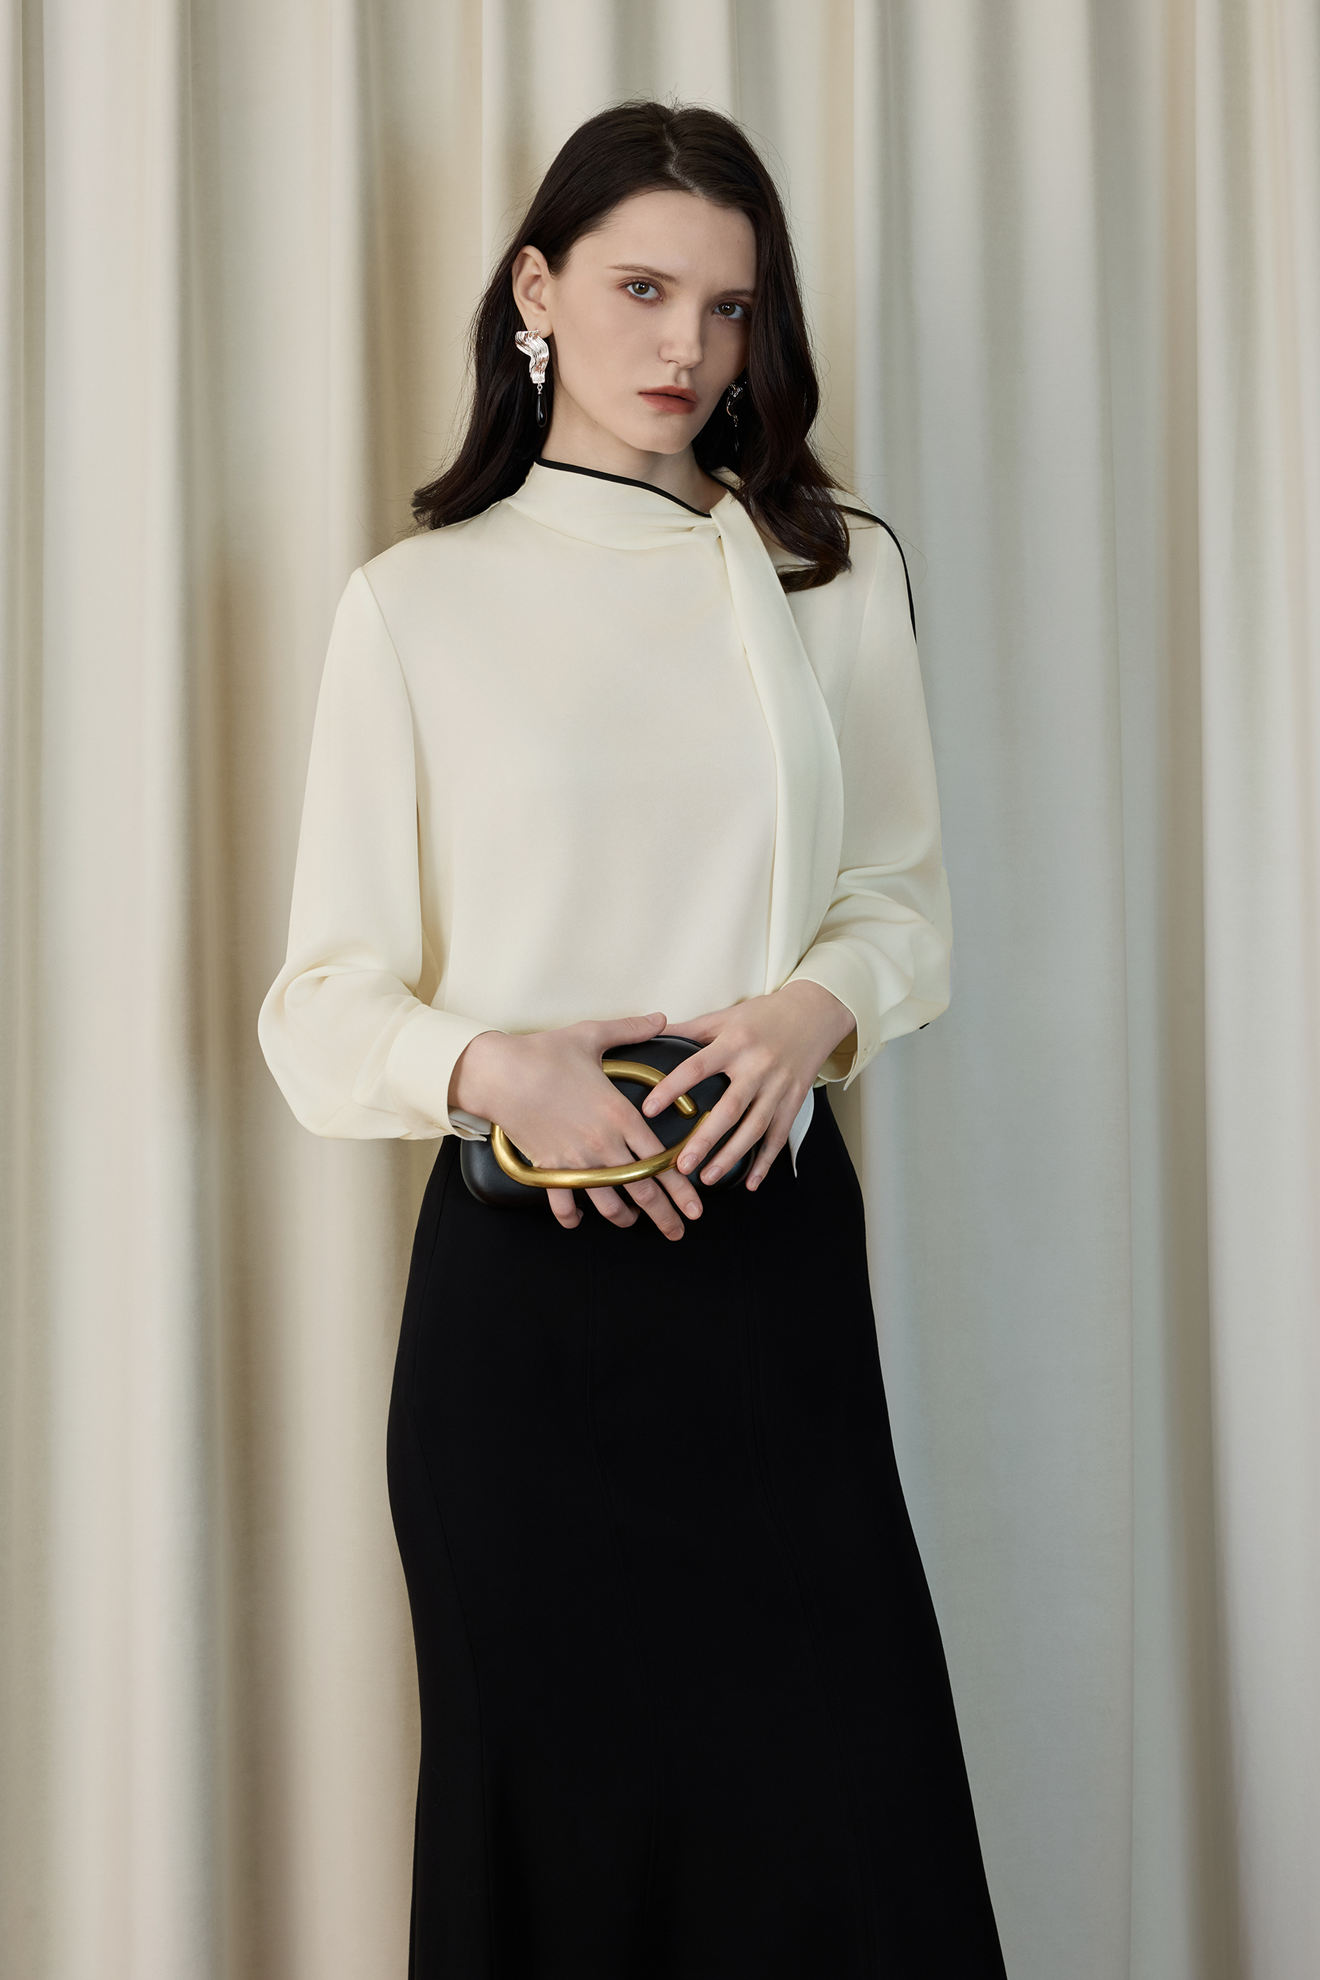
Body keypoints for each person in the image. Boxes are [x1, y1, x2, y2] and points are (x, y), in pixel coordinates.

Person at [258, 96, 1008, 1980]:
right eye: (643, 289)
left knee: (852, 1839)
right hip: (525, 1309)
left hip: (767, 1278)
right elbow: (321, 998)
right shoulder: (414, 606)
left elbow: (901, 903)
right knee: (560, 1859)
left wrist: (815, 1007)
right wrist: (492, 1066)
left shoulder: (833, 571)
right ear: (537, 290)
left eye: (730, 307)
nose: (687, 347)